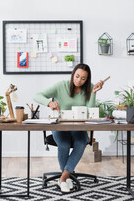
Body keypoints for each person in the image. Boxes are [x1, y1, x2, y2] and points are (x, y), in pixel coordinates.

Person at [33, 63, 103, 193]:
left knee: (82, 142)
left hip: (79, 128)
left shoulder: (90, 88)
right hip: (60, 126)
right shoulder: (61, 86)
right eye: (77, 76)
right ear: (73, 74)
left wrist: (93, 93)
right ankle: (66, 177)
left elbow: (89, 112)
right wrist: (49, 103)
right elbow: (37, 95)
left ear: (87, 79)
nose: (79, 80)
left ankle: (63, 178)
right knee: (64, 144)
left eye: (83, 78)